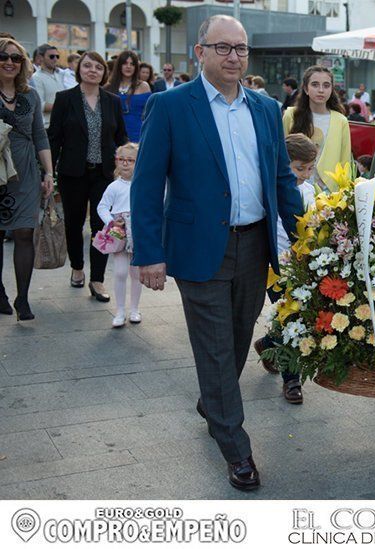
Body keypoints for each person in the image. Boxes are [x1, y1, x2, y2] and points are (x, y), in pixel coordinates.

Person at [131, 14, 303, 492]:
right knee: (214, 346)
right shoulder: (169, 106)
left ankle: (214, 399)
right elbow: (145, 185)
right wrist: (149, 252)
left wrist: (307, 237)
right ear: (200, 52)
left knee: (237, 337)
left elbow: (282, 180)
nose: (234, 57)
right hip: (197, 246)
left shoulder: (267, 108)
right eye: (223, 48)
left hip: (254, 245)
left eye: (241, 49)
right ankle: (235, 446)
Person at [49, 50, 127, 301]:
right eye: (87, 66)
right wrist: (48, 173)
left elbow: (121, 138)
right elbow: (54, 139)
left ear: (105, 72)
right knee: (73, 223)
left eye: (98, 67)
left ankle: (97, 280)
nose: (93, 70)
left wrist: (126, 164)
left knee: (102, 225)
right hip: (73, 172)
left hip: (104, 174)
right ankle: (77, 268)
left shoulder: (112, 101)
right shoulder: (65, 99)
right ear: (79, 70)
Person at [254, 133, 317, 403]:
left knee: (296, 317)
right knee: (290, 317)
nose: (304, 174)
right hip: (275, 266)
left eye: (309, 168)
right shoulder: (269, 190)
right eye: (298, 168)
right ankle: (292, 380)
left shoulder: (310, 190)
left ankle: (268, 344)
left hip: (302, 264)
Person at [0, 38, 54, 320]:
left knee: (24, 232)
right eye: (3, 57)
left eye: (16, 58)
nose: (9, 62)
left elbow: (39, 135)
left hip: (25, 171)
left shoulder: (30, 95)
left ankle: (23, 298)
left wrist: (48, 172)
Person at [96, 143, 143, 328]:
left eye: (130, 160)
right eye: (121, 159)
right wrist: (110, 221)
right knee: (121, 272)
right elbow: (101, 207)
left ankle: (134, 309)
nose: (125, 163)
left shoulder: (142, 185)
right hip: (120, 232)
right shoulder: (114, 186)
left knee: (136, 273)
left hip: (138, 232)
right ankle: (120, 310)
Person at [283, 65, 350, 191]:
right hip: (295, 187)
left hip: (329, 191)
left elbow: (345, 162)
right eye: (315, 84)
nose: (321, 90)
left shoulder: (341, 120)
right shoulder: (290, 115)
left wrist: (344, 193)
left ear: (331, 89)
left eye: (326, 85)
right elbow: (282, 154)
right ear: (305, 89)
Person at [104, 50, 151, 143]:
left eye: (132, 64)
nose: (128, 66)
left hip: (138, 134)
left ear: (136, 67)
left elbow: (149, 115)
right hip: (114, 136)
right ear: (119, 65)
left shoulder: (144, 86)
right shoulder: (108, 87)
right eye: (125, 63)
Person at [29, 44, 64, 128]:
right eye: (51, 56)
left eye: (57, 56)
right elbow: (39, 105)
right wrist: (64, 105)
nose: (55, 59)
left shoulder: (60, 74)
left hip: (63, 124)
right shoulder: (36, 78)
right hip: (47, 126)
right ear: (40, 58)